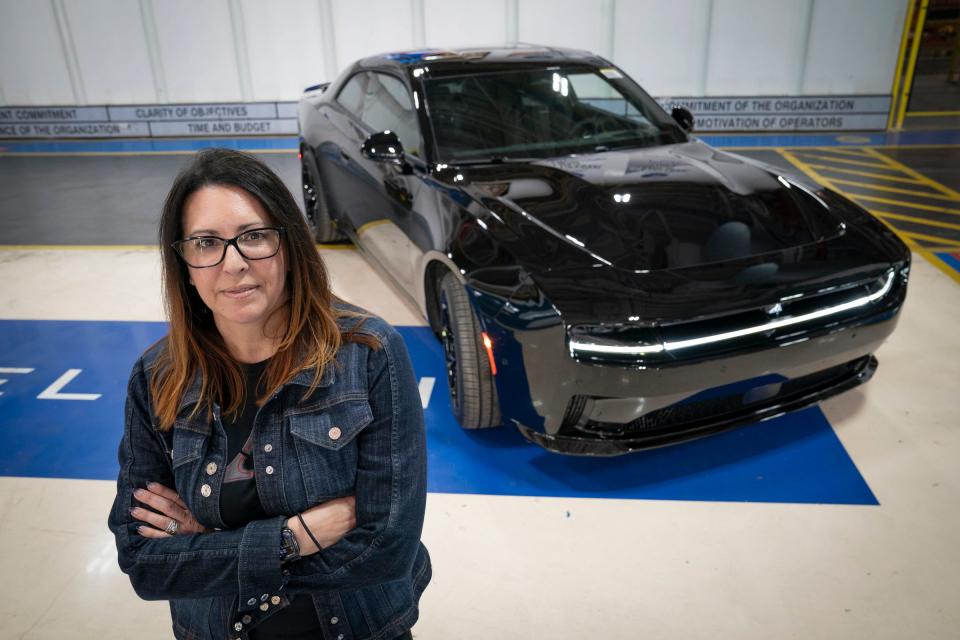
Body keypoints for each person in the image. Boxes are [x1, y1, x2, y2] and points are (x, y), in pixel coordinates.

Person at [108, 148, 431, 640]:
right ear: (184, 261)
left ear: (290, 243)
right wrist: (289, 539)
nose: (233, 263)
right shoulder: (157, 376)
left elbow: (388, 549)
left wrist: (209, 544)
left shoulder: (368, 352)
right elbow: (145, 564)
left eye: (254, 237)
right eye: (206, 242)